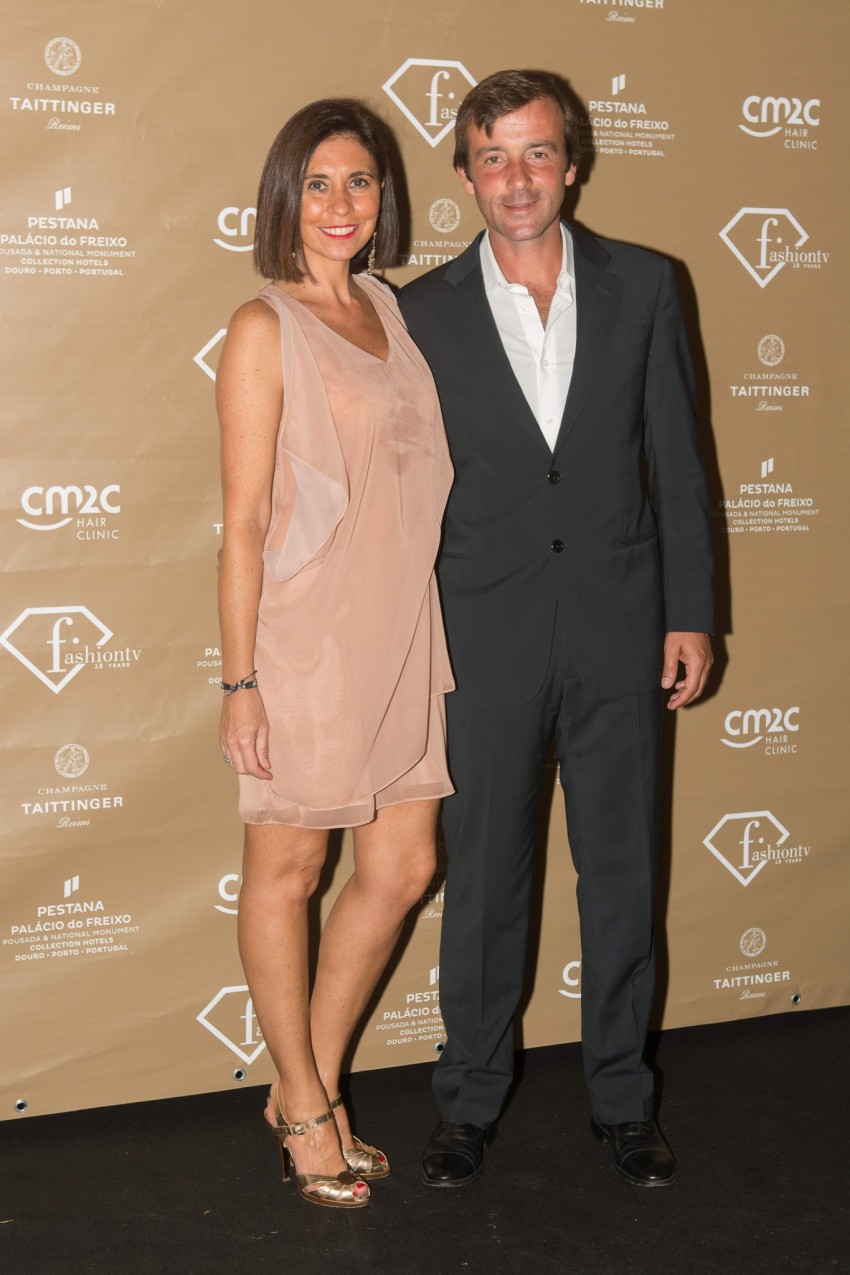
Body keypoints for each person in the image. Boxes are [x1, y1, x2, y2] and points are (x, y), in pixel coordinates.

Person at [399, 69, 714, 1189]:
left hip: (621, 625)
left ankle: (624, 1099)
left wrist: (690, 612)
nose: (518, 177)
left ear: (571, 164)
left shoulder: (646, 285)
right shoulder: (420, 311)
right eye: (493, 156)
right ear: (465, 175)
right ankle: (467, 1099)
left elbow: (678, 462)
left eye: (537, 152)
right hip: (481, 632)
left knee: (622, 871)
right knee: (484, 879)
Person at [216, 99, 454, 1209]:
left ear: (383, 197)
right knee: (291, 869)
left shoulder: (388, 310)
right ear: (285, 196)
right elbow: (243, 523)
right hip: (306, 640)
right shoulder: (263, 327)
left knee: (401, 868)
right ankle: (311, 1106)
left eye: (359, 181)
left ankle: (295, 1085)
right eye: (317, 183)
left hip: (403, 627)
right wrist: (241, 681)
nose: (340, 203)